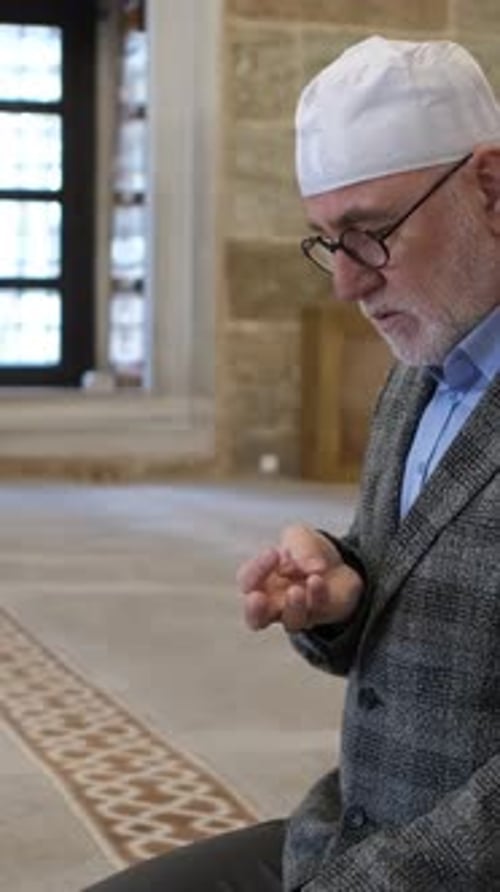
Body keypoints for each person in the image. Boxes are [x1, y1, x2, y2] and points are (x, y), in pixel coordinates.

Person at [86, 35, 500, 892]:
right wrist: (341, 592)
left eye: (370, 232)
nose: (345, 284)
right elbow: (432, 589)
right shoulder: (421, 372)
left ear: (490, 186)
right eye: (325, 241)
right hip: (343, 834)